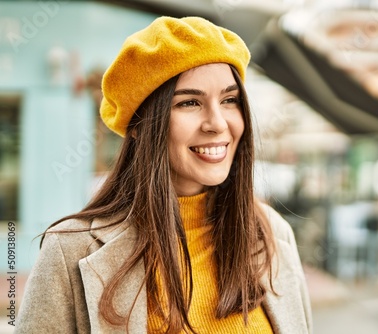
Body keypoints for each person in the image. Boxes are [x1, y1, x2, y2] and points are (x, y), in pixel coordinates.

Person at [16, 16, 312, 334]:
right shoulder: (69, 250)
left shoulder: (272, 235)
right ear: (140, 127)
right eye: (189, 102)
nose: (217, 123)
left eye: (229, 100)